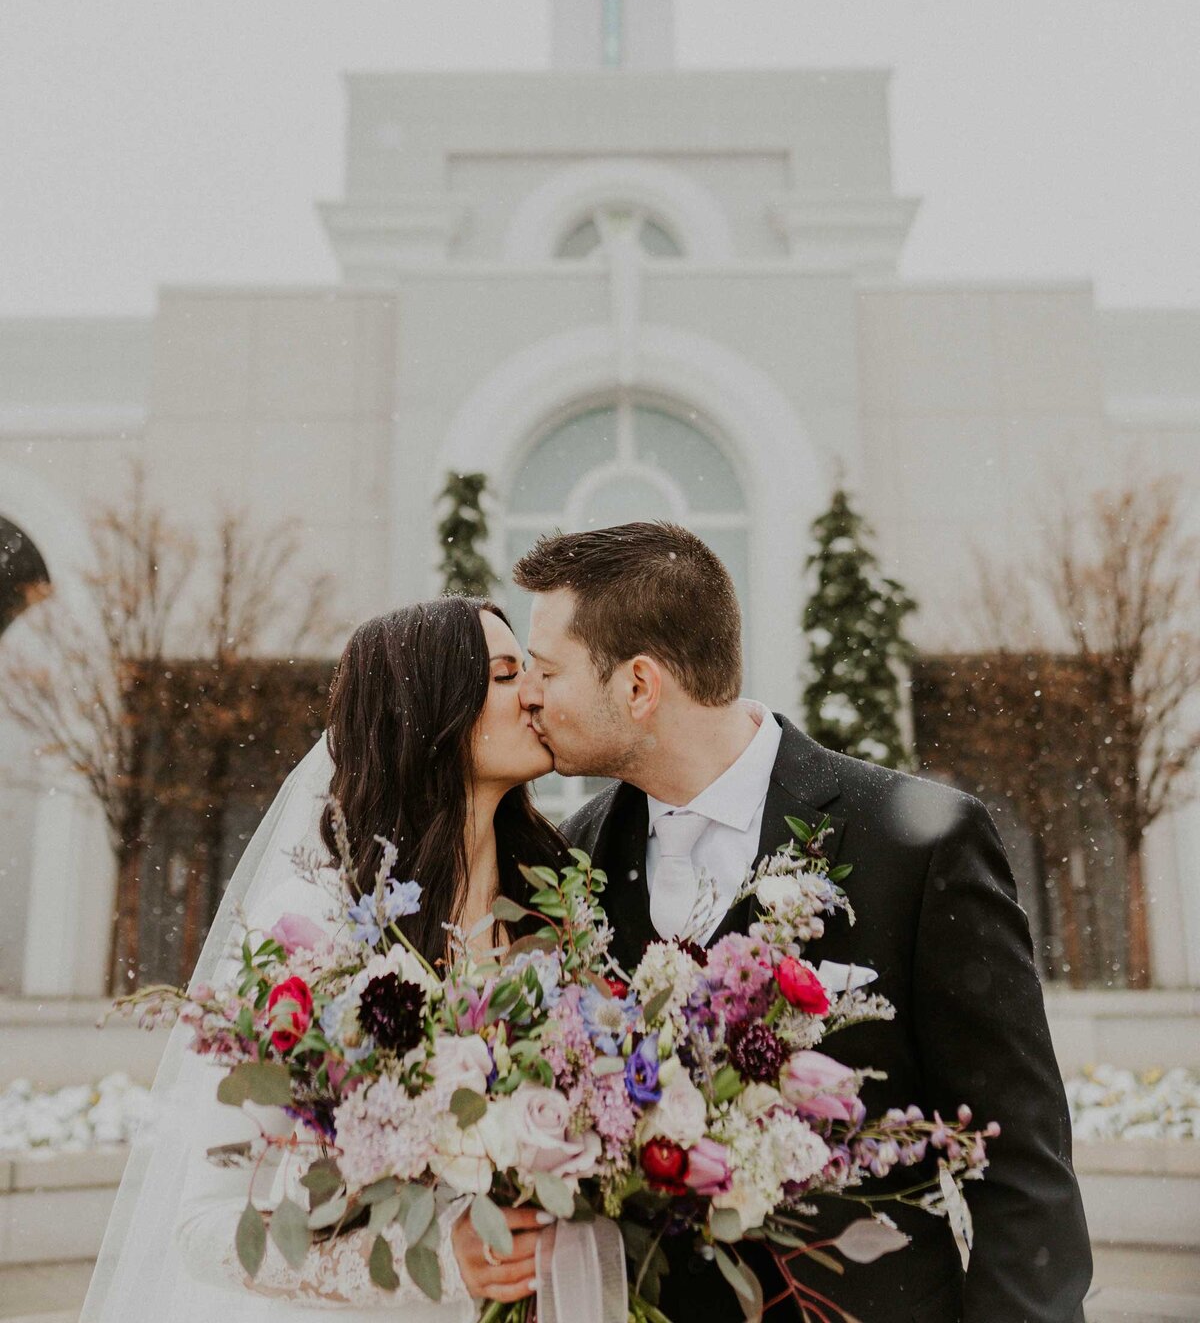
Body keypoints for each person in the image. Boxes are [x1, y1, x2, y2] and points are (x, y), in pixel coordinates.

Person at [514, 520, 1093, 1323]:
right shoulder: (572, 863)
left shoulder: (912, 843)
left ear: (639, 685)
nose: (530, 695)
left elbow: (1021, 1162)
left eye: (547, 670)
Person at [82, 597, 563, 1322]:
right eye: (503, 674)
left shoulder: (553, 917)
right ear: (430, 716)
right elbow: (203, 1227)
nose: (535, 692)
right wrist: (430, 1265)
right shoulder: (310, 931)